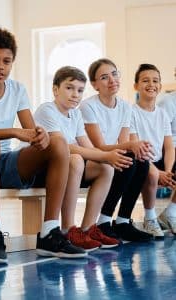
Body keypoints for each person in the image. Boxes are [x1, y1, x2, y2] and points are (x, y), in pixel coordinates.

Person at [0, 28, 86, 262]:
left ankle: (50, 232)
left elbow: (31, 131)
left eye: (6, 61)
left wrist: (42, 135)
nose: (0, 66)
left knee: (58, 142)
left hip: (3, 162)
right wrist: (14, 131)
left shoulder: (17, 89)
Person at [34, 66, 133, 251]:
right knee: (76, 159)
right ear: (55, 90)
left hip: (68, 168)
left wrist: (108, 158)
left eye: (80, 90)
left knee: (105, 168)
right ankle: (67, 228)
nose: (75, 94)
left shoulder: (76, 114)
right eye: (69, 88)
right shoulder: (46, 110)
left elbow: (87, 147)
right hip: (43, 170)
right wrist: (105, 155)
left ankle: (87, 228)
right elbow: (65, 147)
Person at [79, 58, 153, 243]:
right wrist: (130, 146)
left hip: (109, 156)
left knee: (140, 160)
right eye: (104, 77)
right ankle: (104, 221)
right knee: (127, 157)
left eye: (114, 74)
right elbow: (99, 147)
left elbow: (123, 142)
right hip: (90, 159)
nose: (112, 80)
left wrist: (136, 148)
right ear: (95, 85)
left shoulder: (126, 107)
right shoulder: (88, 106)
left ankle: (122, 222)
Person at [137, 69, 176, 236]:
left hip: (166, 156)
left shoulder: (161, 114)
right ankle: (150, 217)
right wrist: (160, 171)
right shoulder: (168, 102)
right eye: (146, 81)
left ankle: (171, 213)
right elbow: (153, 140)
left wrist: (167, 171)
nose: (151, 84)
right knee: (150, 171)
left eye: (155, 81)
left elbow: (168, 146)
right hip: (145, 156)